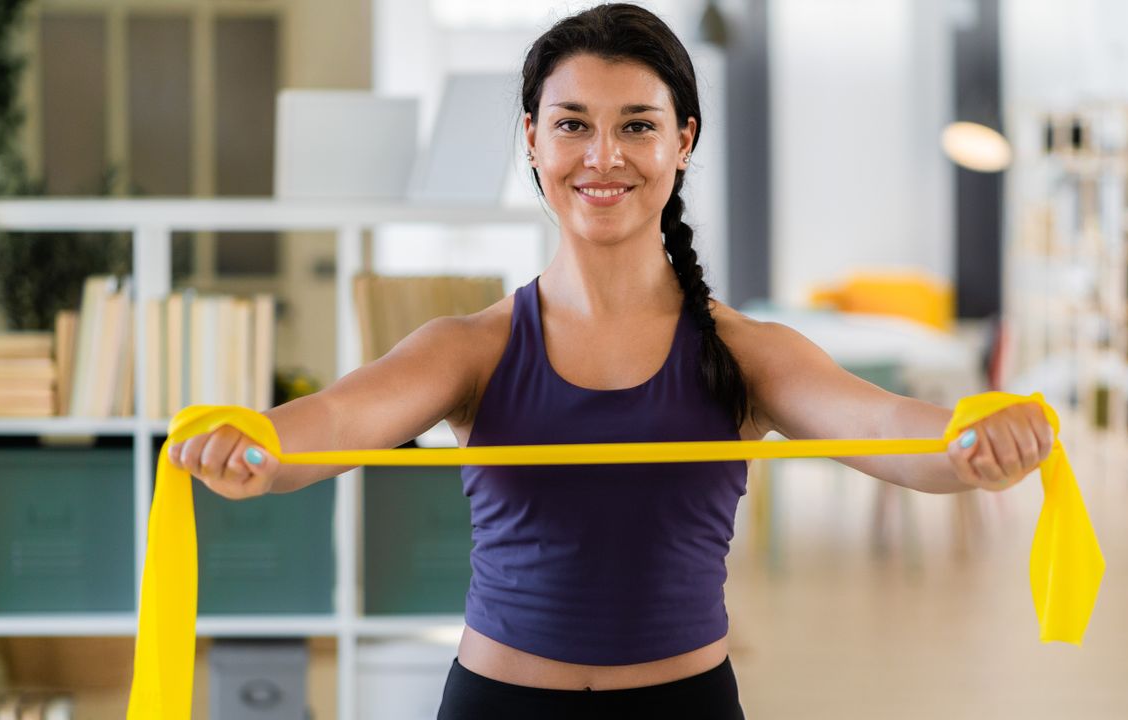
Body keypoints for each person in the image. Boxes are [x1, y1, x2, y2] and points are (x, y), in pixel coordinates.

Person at [168, 4, 1054, 718]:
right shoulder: (468, 347)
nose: (603, 156)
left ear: (683, 141)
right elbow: (333, 421)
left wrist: (974, 437)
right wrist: (254, 442)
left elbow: (890, 430)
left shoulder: (745, 352)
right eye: (572, 125)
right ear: (532, 141)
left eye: (637, 124)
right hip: (498, 706)